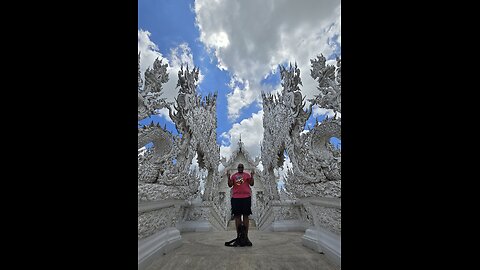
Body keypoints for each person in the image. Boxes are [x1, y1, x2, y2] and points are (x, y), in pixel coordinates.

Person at [227, 163, 254, 246]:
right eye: (239, 167)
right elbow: (230, 185)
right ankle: (238, 237)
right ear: (237, 168)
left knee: (246, 216)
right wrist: (228, 177)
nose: (240, 168)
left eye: (242, 167)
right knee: (237, 216)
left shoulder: (247, 175)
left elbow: (252, 184)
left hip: (246, 197)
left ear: (243, 168)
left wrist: (252, 176)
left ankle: (246, 237)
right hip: (236, 198)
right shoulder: (234, 176)